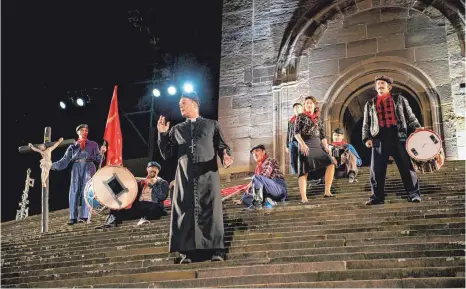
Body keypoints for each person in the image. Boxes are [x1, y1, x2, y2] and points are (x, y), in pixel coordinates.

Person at [157, 91, 234, 264]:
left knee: (211, 209)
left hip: (208, 174)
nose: (180, 106)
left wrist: (226, 157)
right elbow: (166, 153)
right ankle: (187, 253)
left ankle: (217, 250)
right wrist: (162, 134)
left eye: (183, 102)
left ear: (195, 104)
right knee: (185, 210)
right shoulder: (177, 129)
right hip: (185, 176)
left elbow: (222, 147)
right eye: (179, 104)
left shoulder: (212, 125)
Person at [362, 75, 423, 205]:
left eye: (383, 83)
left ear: (389, 86)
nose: (380, 85)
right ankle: (377, 197)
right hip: (379, 137)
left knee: (406, 167)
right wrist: (366, 138)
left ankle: (413, 194)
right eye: (378, 83)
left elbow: (410, 116)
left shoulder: (399, 99)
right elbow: (366, 123)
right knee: (376, 170)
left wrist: (419, 129)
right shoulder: (370, 104)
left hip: (398, 135)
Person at [51, 124, 106, 225]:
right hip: (76, 167)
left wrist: (102, 153)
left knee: (87, 190)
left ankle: (85, 216)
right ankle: (73, 217)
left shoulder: (93, 144)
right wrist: (51, 165)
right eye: (83, 130)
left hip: (89, 167)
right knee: (74, 190)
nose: (85, 132)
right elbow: (64, 161)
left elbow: (99, 159)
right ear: (78, 132)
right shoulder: (72, 146)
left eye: (86, 130)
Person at [95, 161, 169, 228]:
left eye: (156, 168)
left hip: (153, 205)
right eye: (152, 167)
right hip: (140, 206)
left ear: (158, 171)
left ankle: (144, 220)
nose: (153, 169)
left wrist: (152, 185)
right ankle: (109, 223)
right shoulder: (141, 182)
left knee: (156, 207)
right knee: (115, 210)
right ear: (147, 169)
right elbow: (127, 189)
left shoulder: (162, 182)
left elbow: (162, 197)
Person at [294, 96, 335, 203]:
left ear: (314, 105)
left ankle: (327, 191)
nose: (308, 105)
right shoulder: (300, 116)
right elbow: (296, 133)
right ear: (304, 106)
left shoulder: (319, 119)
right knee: (304, 171)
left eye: (310, 103)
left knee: (330, 162)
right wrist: (302, 144)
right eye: (306, 103)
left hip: (317, 144)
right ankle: (304, 198)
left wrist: (326, 146)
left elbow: (322, 135)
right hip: (305, 144)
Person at [233, 145, 287, 209]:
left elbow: (265, 175)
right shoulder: (257, 168)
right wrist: (242, 199)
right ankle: (263, 206)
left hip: (278, 188)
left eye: (257, 151)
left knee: (256, 178)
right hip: (268, 193)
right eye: (253, 153)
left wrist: (252, 182)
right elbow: (256, 184)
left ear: (263, 151)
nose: (254, 154)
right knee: (246, 198)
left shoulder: (269, 160)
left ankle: (257, 203)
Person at [286, 103, 303, 174]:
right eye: (295, 107)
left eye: (298, 107)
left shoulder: (305, 118)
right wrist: (287, 145)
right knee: (293, 161)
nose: (297, 108)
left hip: (302, 142)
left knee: (302, 159)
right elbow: (288, 133)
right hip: (292, 142)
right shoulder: (291, 121)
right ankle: (295, 175)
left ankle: (303, 174)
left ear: (302, 109)